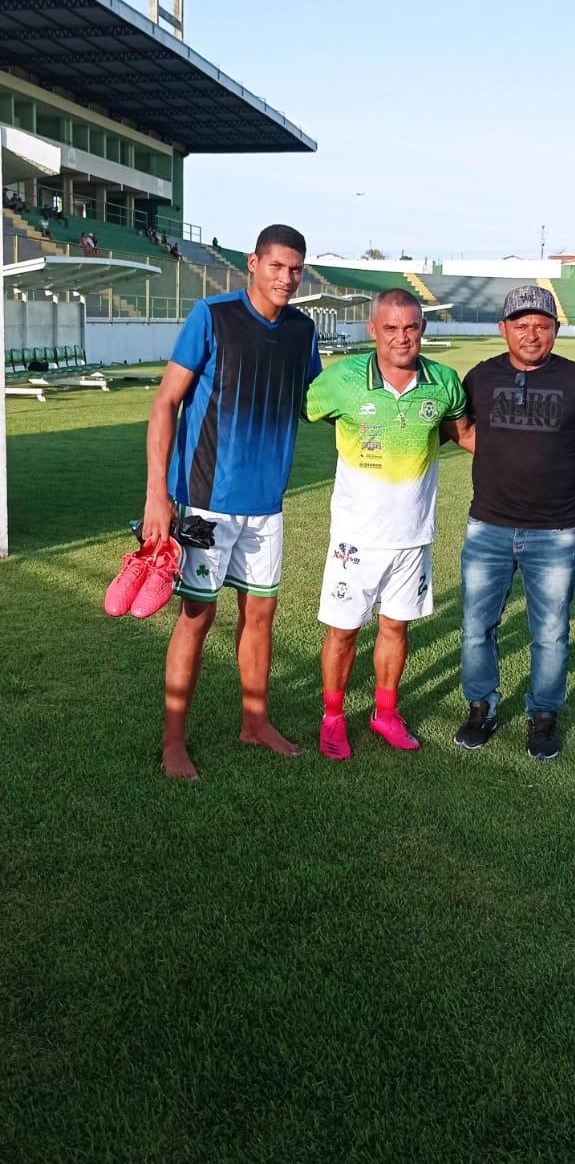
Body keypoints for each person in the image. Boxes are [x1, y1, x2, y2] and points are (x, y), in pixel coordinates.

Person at [142, 224, 321, 780]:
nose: (286, 278)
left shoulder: (302, 330)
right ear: (253, 263)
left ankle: (254, 721)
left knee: (260, 614)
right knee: (197, 615)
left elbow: (318, 401)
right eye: (277, 266)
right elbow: (166, 403)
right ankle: (174, 741)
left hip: (267, 504)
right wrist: (156, 495)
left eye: (295, 269)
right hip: (204, 503)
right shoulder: (212, 316)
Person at [455, 285, 575, 760]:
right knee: (475, 627)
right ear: (503, 329)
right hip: (488, 527)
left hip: (555, 531)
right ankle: (481, 706)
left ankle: (543, 714)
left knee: (550, 632)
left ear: (555, 330)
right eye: (521, 326)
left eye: (542, 326)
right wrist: (502, 452)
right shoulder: (481, 378)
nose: (532, 335)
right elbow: (460, 430)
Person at [305, 289, 471, 760]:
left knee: (396, 629)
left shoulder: (444, 382)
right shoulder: (343, 380)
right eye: (391, 328)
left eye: (412, 327)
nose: (403, 338)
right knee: (343, 631)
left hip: (413, 537)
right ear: (373, 329)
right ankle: (333, 718)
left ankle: (385, 713)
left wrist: (526, 453)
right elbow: (303, 408)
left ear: (423, 328)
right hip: (355, 541)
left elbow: (463, 434)